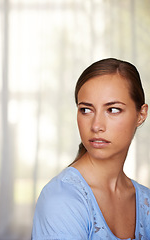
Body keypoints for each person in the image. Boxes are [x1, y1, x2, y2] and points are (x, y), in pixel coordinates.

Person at [31, 58, 150, 239]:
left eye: (113, 110)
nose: (96, 126)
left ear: (141, 114)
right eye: (86, 110)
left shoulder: (146, 202)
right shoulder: (61, 200)